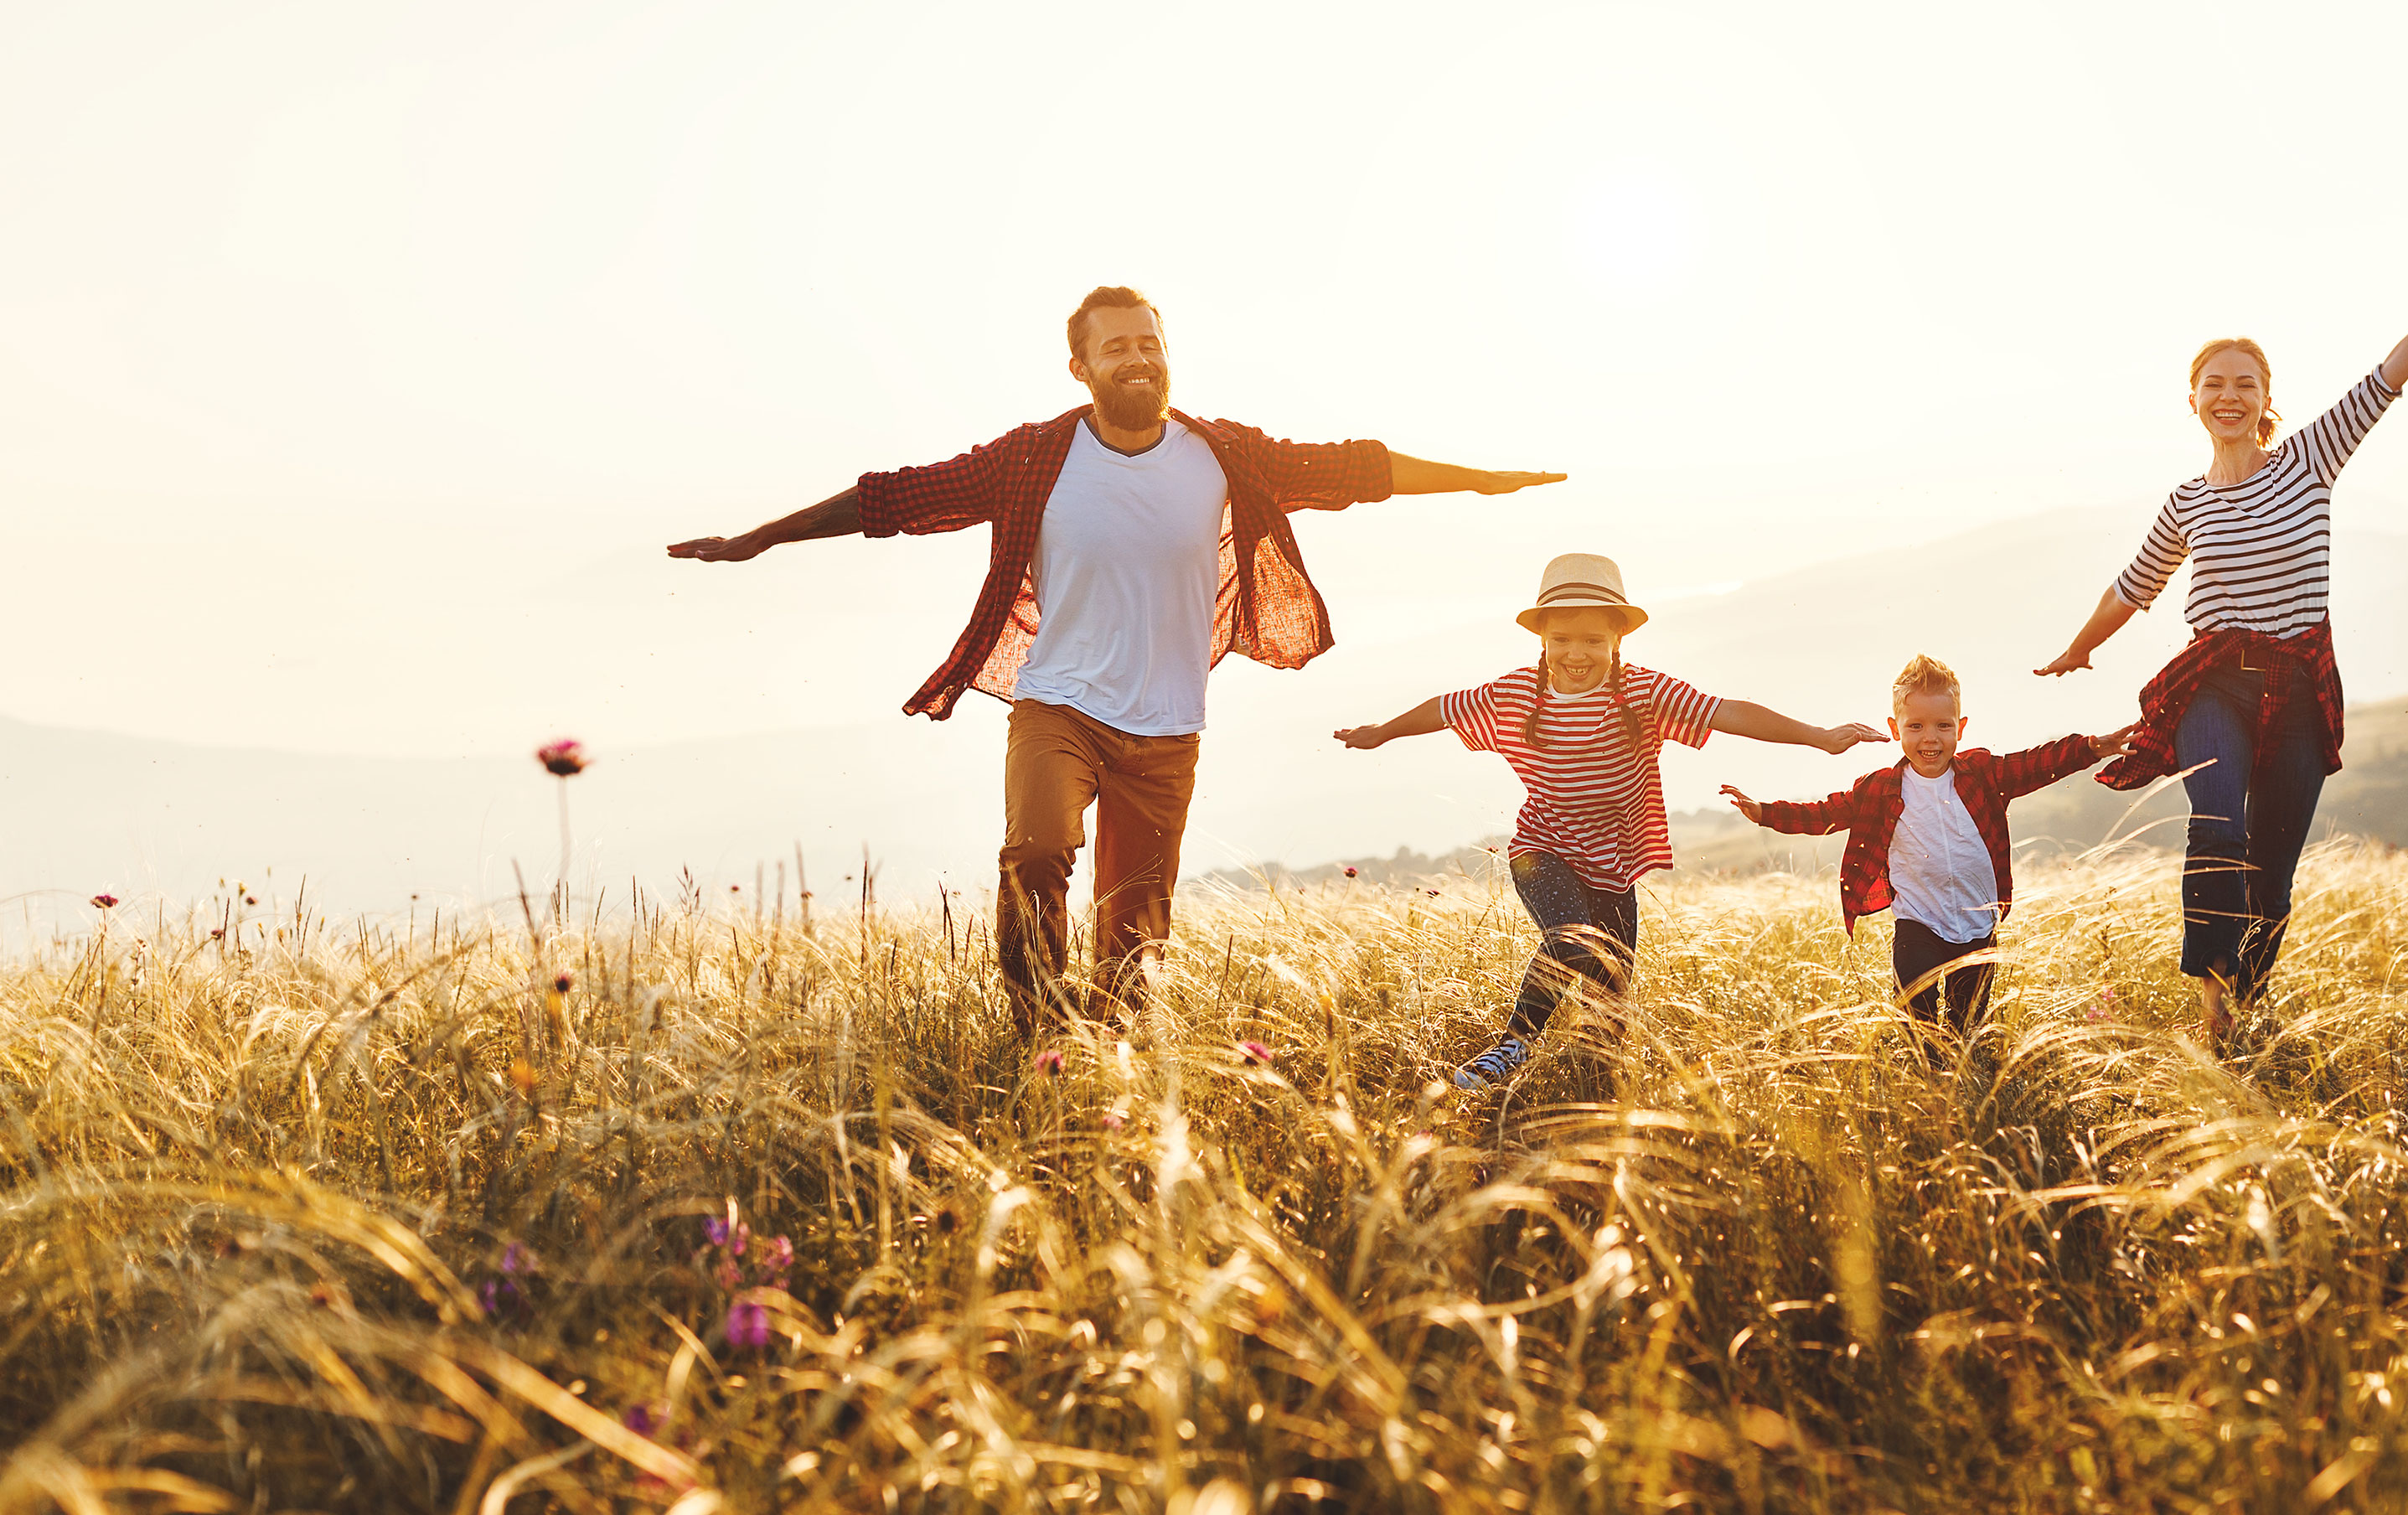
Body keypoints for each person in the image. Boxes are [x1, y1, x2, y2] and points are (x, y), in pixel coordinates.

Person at [669, 286, 1563, 1042]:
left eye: (1150, 343)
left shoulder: (1224, 454)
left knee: (1135, 934)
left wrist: (1484, 479)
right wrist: (762, 537)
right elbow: (900, 497)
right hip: (1058, 705)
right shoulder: (1032, 458)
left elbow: (1353, 469)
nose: (1137, 358)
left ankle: (1106, 1064)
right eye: (1116, 347)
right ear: (1082, 368)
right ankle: (1040, 1037)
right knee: (1037, 851)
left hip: (1168, 728)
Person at [2039, 225, 2408, 1050]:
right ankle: (2213, 988)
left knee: (2274, 876)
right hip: (2214, 683)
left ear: (2266, 399)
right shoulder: (2186, 503)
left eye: (2245, 383)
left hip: (2298, 688)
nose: (2230, 395)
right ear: (2192, 400)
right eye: (2214, 384)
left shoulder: (2310, 459)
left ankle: (2240, 1009)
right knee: (2217, 825)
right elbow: (2133, 585)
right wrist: (2081, 647)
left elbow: (2390, 373)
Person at [1331, 554, 1884, 1088]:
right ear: (1541, 640)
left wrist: (1816, 736)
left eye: (1593, 640)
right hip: (1540, 850)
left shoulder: (1644, 692)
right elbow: (1444, 708)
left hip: (1614, 868)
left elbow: (1728, 711)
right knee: (1572, 938)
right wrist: (1381, 731)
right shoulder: (1517, 693)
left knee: (1609, 1012)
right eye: (1562, 640)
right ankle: (1514, 1044)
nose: (1576, 653)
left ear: (1618, 640)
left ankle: (1592, 1111)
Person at [1718, 654, 2134, 1051]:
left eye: (1942, 726)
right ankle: (1926, 1071)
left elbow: (2038, 763)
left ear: (1961, 726)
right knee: (1914, 1009)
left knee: (1963, 1027)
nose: (1930, 738)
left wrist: (2093, 747)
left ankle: (1958, 1081)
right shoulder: (1881, 788)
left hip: (1977, 926)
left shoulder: (1983, 775)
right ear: (1894, 727)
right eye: (1915, 726)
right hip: (1918, 922)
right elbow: (1827, 812)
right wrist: (1765, 813)